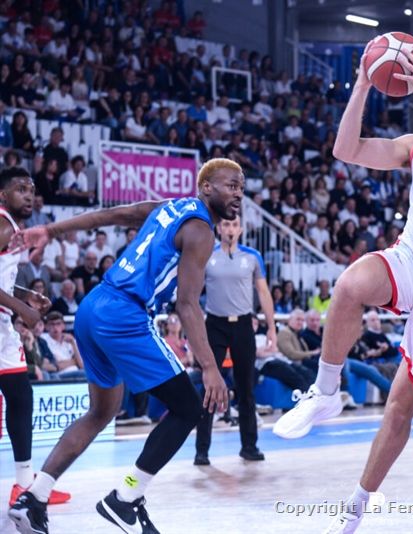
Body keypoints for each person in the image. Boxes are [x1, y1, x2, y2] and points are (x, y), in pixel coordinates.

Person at [273, 43, 413, 534]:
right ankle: (325, 391)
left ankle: (358, 505)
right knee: (350, 283)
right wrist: (361, 84)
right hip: (411, 259)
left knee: (398, 410)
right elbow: (346, 150)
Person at [8, 159, 240, 534]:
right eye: (231, 185)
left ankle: (34, 496)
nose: (238, 194)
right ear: (206, 187)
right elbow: (187, 305)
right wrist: (211, 367)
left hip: (94, 306)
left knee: (101, 412)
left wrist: (50, 229)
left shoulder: (171, 207)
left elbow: (114, 215)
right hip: (124, 314)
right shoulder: (200, 230)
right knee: (187, 408)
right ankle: (126, 497)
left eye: (241, 187)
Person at [0, 168, 71, 509]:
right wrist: (23, 310)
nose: (28, 195)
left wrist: (25, 295)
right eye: (19, 189)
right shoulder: (2, 225)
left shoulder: (12, 229)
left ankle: (24, 484)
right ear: (3, 195)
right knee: (19, 399)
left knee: (20, 397)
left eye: (30, 189)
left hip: (3, 328)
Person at [194, 215, 277, 466]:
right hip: (215, 325)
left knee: (245, 388)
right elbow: (193, 292)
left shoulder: (252, 256)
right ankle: (201, 450)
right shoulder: (207, 255)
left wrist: (272, 327)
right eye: (226, 225)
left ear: (240, 229)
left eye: (234, 225)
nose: (230, 228)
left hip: (243, 325)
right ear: (219, 228)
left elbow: (263, 292)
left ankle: (249, 446)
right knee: (209, 387)